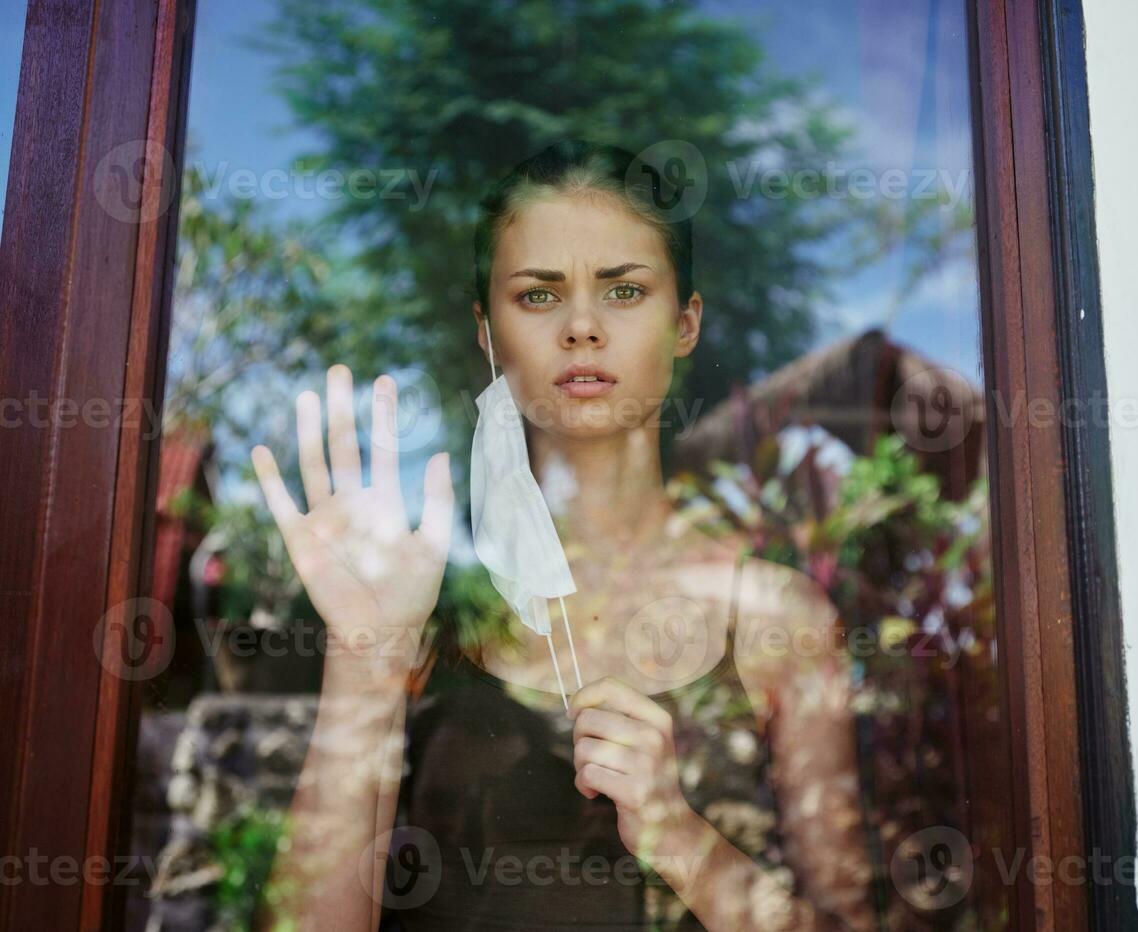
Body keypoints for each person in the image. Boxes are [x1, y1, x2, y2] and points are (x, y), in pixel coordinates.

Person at [251, 140, 877, 931]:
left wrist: (675, 833)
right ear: (487, 331)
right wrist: (365, 661)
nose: (582, 326)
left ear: (685, 322)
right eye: (538, 297)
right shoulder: (421, 611)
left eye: (623, 290)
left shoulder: (773, 617)